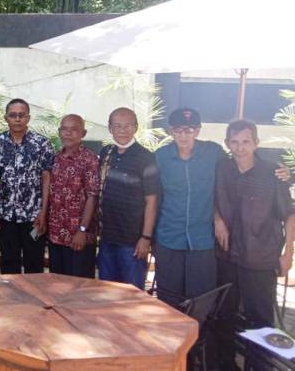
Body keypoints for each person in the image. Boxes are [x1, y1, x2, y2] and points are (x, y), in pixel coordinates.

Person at [214, 120, 295, 371]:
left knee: (260, 321)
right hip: (227, 256)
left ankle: (259, 370)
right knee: (225, 315)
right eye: (234, 142)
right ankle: (227, 368)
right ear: (227, 144)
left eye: (246, 141)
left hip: (260, 258)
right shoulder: (222, 168)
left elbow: (289, 215)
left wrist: (288, 253)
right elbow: (212, 197)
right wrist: (217, 220)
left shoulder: (273, 172)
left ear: (256, 143)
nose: (240, 147)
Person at [153, 108, 225, 304]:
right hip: (168, 236)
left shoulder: (213, 152)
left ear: (198, 130)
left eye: (189, 130)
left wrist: (277, 170)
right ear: (171, 131)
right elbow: (151, 194)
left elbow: (239, 166)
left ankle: (197, 326)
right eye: (178, 130)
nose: (183, 135)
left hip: (202, 238)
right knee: (168, 298)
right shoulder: (161, 156)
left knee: (201, 298)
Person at [96, 108, 160, 289]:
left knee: (132, 295)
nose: (122, 130)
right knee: (107, 291)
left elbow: (152, 201)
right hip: (107, 238)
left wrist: (145, 238)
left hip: (133, 242)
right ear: (110, 128)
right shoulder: (106, 152)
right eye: (117, 126)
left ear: (136, 127)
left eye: (128, 125)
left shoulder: (146, 158)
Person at [0, 98, 55, 274]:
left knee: (34, 262)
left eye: (21, 115)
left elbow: (47, 179)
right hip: (5, 214)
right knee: (8, 261)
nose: (17, 119)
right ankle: (11, 293)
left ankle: (33, 293)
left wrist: (43, 212)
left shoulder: (42, 144)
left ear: (28, 118)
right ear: (6, 118)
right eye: (13, 115)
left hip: (33, 216)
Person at [47, 114, 99, 278]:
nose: (68, 133)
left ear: (83, 133)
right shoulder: (55, 158)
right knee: (57, 283)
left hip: (79, 236)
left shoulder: (90, 160)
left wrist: (82, 230)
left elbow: (92, 196)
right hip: (56, 235)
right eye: (64, 129)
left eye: (74, 129)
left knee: (79, 285)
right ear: (59, 132)